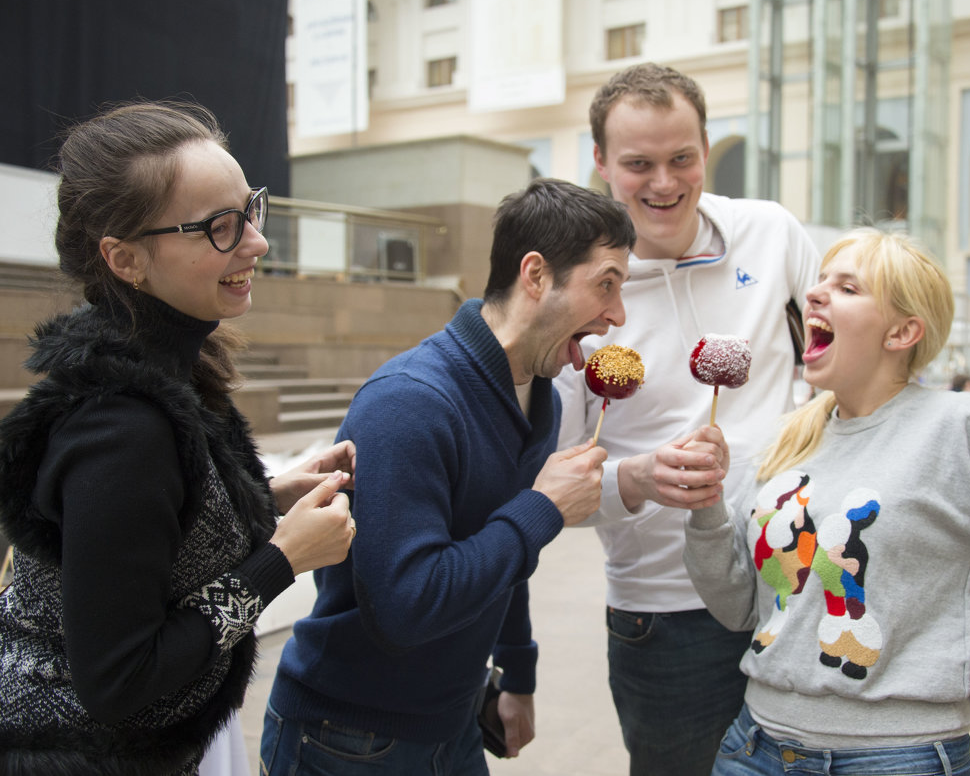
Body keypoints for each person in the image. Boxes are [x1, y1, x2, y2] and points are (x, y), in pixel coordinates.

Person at [682, 228, 970, 775]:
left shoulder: (964, 429)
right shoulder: (789, 437)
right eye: (820, 282)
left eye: (848, 287)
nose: (814, 294)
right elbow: (741, 608)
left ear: (902, 331)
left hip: (895, 757)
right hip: (755, 747)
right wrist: (706, 509)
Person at [0, 101, 356, 776]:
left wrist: (268, 495)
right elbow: (122, 680)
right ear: (125, 258)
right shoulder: (121, 428)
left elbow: (152, 531)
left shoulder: (163, 372)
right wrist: (281, 559)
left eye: (251, 210)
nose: (256, 242)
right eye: (221, 227)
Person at [260, 177, 635, 775]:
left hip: (454, 722)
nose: (618, 314)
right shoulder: (410, 402)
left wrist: (517, 671)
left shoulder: (543, 398)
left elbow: (505, 557)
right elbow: (406, 607)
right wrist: (542, 508)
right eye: (606, 285)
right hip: (347, 737)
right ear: (535, 275)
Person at [553, 63, 822, 775]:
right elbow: (555, 490)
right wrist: (637, 477)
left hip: (795, 586)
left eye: (682, 159)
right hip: (665, 614)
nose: (664, 183)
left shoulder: (772, 235)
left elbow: (837, 357)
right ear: (602, 165)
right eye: (638, 164)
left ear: (707, 149)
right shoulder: (579, 294)